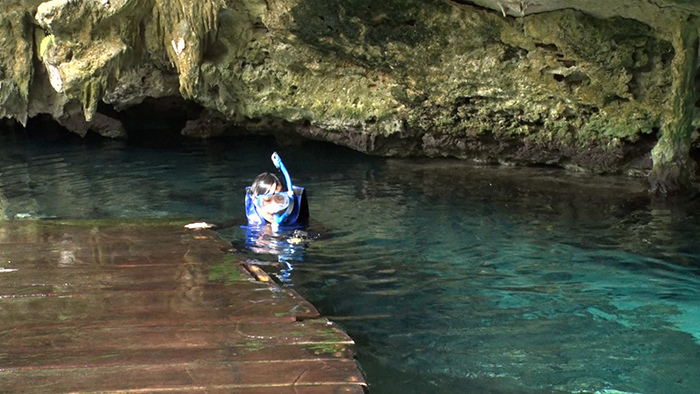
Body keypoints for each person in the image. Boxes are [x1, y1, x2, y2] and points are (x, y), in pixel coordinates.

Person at [185, 151, 308, 231]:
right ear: (255, 202)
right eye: (267, 200)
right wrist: (207, 226)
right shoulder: (251, 221)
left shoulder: (299, 221)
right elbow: (222, 225)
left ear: (289, 199)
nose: (275, 207)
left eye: (280, 199)